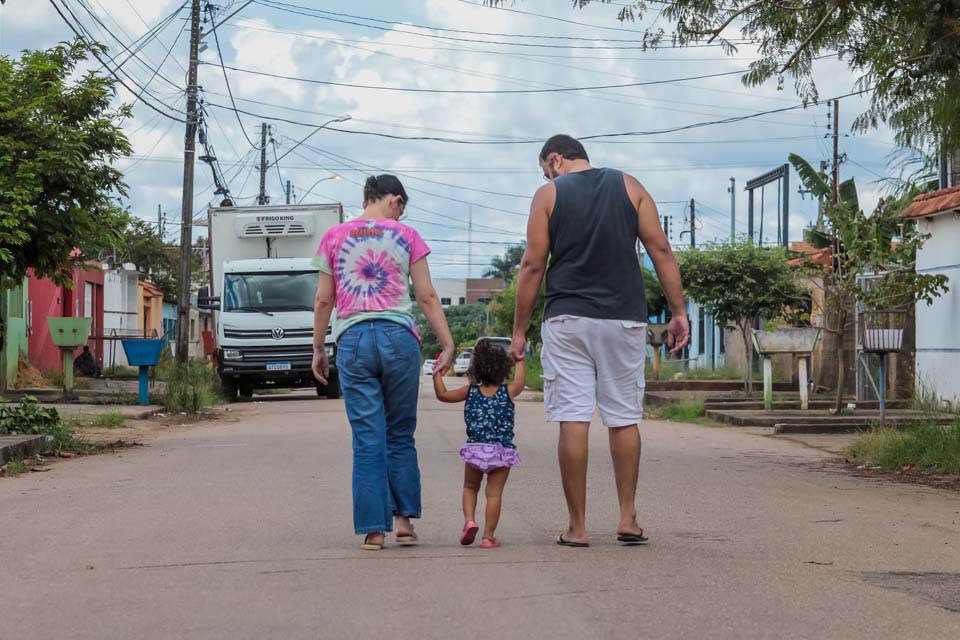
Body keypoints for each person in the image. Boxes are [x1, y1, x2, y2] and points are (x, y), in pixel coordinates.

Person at [510, 135, 689, 548]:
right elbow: (660, 249)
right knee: (623, 417)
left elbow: (533, 265)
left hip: (568, 320)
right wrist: (679, 312)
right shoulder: (630, 186)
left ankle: (577, 527)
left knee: (574, 418)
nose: (546, 175)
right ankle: (627, 518)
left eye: (545, 168)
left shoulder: (548, 195)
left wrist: (519, 331)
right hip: (623, 319)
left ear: (555, 159)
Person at [312, 174, 455, 551]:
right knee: (399, 433)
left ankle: (374, 531)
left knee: (367, 439)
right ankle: (404, 521)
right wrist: (447, 343)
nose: (401, 215)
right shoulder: (407, 236)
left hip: (354, 340)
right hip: (398, 339)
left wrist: (318, 348)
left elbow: (324, 300)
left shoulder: (333, 237)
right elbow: (426, 295)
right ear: (393, 200)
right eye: (402, 207)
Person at [433, 339, 525, 549]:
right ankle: (488, 536)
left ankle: (470, 521)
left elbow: (443, 395)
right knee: (493, 494)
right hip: (501, 452)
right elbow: (520, 381)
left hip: (475, 449)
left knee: (470, 487)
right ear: (504, 368)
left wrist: (438, 372)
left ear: (475, 369)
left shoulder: (470, 392)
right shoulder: (507, 392)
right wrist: (519, 359)